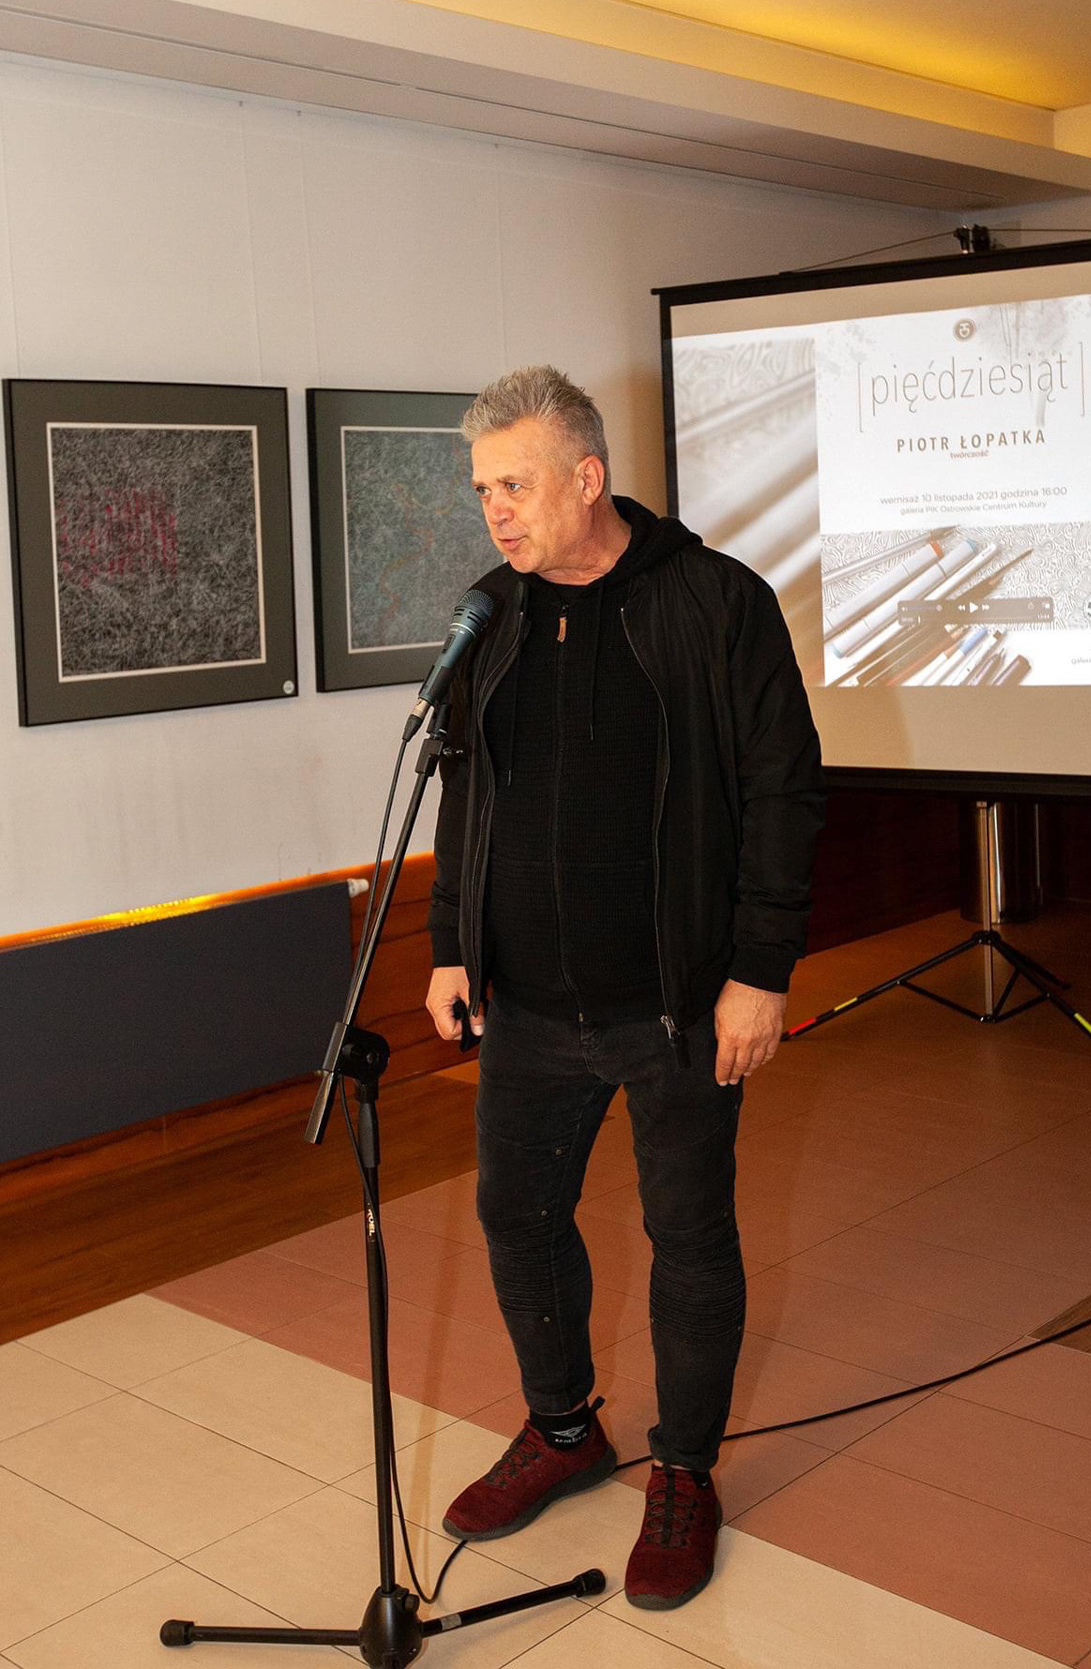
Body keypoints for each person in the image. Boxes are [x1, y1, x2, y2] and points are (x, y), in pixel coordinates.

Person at [425, 364, 823, 1611]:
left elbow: (782, 790)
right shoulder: (491, 616)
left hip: (678, 1005)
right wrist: (450, 945)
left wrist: (759, 971)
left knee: (688, 1239)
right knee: (517, 1217)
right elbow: (466, 794)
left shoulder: (715, 602)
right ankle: (563, 1430)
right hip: (531, 1008)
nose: (495, 510)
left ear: (588, 479)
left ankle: (686, 1473)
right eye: (483, 490)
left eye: (515, 485)